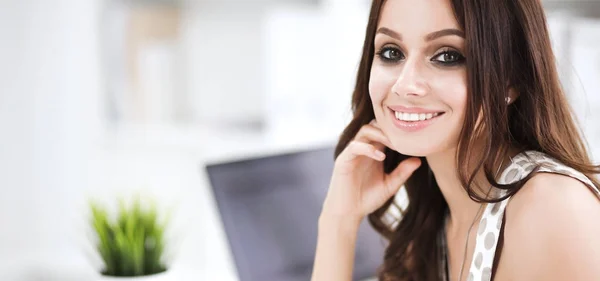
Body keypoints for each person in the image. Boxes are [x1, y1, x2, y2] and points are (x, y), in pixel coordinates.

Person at [310, 0, 600, 280]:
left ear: (511, 80)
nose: (405, 85)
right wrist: (339, 220)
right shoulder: (430, 223)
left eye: (447, 56)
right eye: (391, 52)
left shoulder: (554, 209)